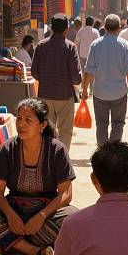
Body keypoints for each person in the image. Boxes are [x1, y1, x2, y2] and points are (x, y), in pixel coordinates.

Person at [0, 98, 78, 255]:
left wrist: (41, 216)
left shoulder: (57, 150)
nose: (21, 124)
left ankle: (9, 242)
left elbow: (65, 194)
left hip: (46, 215)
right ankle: (36, 251)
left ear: (42, 125)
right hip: (14, 211)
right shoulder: (8, 149)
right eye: (19, 118)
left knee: (73, 218)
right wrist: (10, 215)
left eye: (28, 120)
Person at [81, 14, 128, 146]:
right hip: (119, 93)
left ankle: (103, 152)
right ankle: (113, 151)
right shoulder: (124, 45)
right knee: (118, 123)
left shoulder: (96, 45)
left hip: (99, 92)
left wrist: (84, 89)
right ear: (119, 28)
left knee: (101, 124)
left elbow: (89, 70)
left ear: (104, 28)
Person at [31, 14, 82, 152]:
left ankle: (47, 157)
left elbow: (34, 72)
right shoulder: (70, 47)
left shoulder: (41, 45)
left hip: (45, 95)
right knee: (65, 131)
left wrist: (46, 79)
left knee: (46, 130)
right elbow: (76, 77)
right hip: (65, 96)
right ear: (66, 29)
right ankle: (62, 158)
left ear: (51, 28)